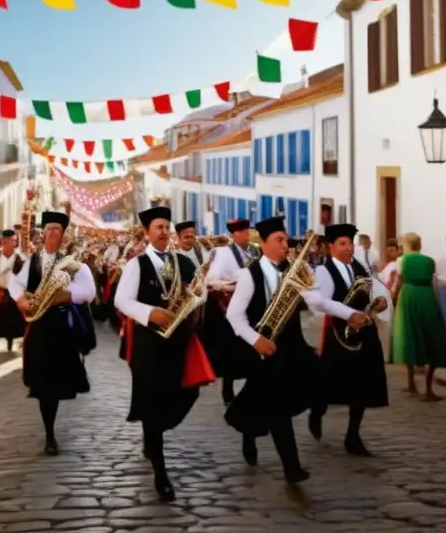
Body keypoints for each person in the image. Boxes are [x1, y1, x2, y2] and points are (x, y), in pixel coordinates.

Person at [225, 216, 370, 484]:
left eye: (285, 239)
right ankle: (291, 467)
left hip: (292, 347)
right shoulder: (249, 274)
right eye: (279, 240)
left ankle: (258, 426)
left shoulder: (297, 269)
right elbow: (234, 315)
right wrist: (254, 339)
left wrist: (349, 313)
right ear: (264, 243)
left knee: (318, 379)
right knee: (277, 408)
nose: (285, 245)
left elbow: (317, 300)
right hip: (264, 349)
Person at [115, 206, 212, 502]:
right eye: (157, 226)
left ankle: (155, 428)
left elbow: (202, 290)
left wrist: (189, 302)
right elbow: (122, 300)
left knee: (189, 392)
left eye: (165, 226)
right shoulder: (137, 264)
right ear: (146, 232)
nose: (163, 231)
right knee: (153, 404)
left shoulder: (182, 261)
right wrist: (150, 313)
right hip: (149, 344)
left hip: (179, 341)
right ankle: (160, 474)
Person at [8, 211, 96, 456]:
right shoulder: (32, 261)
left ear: (63, 235)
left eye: (57, 229)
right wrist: (21, 300)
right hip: (39, 326)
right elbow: (14, 284)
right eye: (48, 229)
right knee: (43, 385)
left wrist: (66, 295)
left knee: (56, 382)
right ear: (43, 234)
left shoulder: (72, 263)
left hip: (61, 325)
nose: (52, 234)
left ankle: (52, 428)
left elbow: (88, 290)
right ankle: (49, 433)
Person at [309, 223, 390, 456]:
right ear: (330, 247)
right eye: (342, 244)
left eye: (350, 244)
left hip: (364, 330)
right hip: (339, 332)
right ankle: (318, 408)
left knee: (362, 384)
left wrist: (380, 302)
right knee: (330, 380)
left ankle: (353, 436)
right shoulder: (324, 271)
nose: (348, 249)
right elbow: (321, 302)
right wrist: (347, 314)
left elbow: (374, 291)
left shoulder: (360, 268)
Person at [391, 232, 446, 400]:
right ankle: (428, 388)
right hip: (427, 296)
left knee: (409, 334)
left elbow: (397, 282)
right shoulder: (430, 261)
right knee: (432, 335)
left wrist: (393, 297)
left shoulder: (402, 260)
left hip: (408, 295)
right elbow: (434, 282)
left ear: (405, 245)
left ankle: (411, 383)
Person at [205, 219, 254, 405]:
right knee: (232, 352)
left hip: (250, 305)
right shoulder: (223, 254)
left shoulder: (253, 252)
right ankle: (228, 389)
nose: (248, 235)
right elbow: (211, 280)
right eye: (243, 232)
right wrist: (234, 286)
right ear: (234, 235)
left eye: (248, 231)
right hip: (230, 307)